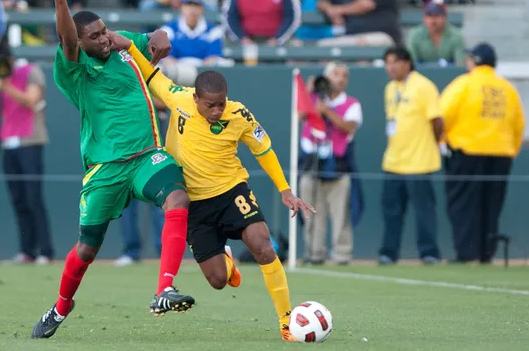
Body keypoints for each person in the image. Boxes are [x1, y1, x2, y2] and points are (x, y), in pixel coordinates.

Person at [30, 0, 194, 339]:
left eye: (104, 31)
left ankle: (163, 290)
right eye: (95, 36)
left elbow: (157, 37)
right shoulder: (74, 68)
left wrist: (155, 40)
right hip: (105, 168)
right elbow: (68, 39)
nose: (103, 39)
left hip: (144, 158)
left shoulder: (121, 49)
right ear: (81, 44)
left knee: (178, 198)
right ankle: (60, 308)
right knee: (87, 251)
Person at [126, 44, 315, 342]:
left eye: (221, 104)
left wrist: (285, 190)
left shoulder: (238, 114)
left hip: (231, 192)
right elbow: (151, 75)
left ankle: (286, 320)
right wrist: (129, 46)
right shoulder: (179, 98)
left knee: (263, 245)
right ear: (196, 98)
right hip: (194, 204)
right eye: (210, 105)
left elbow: (263, 149)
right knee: (217, 281)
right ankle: (225, 260)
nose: (216, 111)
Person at [441, 43, 525, 264]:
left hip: (467, 152)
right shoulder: (507, 88)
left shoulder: (464, 84)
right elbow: (519, 125)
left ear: (473, 61)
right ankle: (487, 253)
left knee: (463, 205)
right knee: (492, 205)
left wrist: (442, 142)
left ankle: (467, 253)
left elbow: (443, 116)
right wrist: (511, 150)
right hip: (501, 155)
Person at [0, 40, 54, 265]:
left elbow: (33, 100)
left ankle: (45, 250)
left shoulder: (30, 71)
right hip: (7, 141)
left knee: (33, 197)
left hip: (30, 140)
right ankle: (27, 250)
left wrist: (7, 86)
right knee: (18, 199)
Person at [378, 46, 443, 266]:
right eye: (387, 62)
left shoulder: (424, 86)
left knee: (424, 212)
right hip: (393, 161)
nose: (391, 67)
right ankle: (388, 253)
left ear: (407, 62)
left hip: (419, 161)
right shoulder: (389, 88)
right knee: (391, 212)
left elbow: (437, 121)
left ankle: (429, 253)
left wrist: (430, 144)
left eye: (395, 61)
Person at [299, 63, 363, 266]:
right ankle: (313, 252)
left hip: (338, 165)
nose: (340, 79)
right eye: (335, 74)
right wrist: (309, 93)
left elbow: (348, 127)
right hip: (312, 164)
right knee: (311, 213)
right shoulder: (314, 99)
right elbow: (300, 117)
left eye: (345, 75)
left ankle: (342, 255)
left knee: (340, 215)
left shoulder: (352, 104)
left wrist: (326, 111)